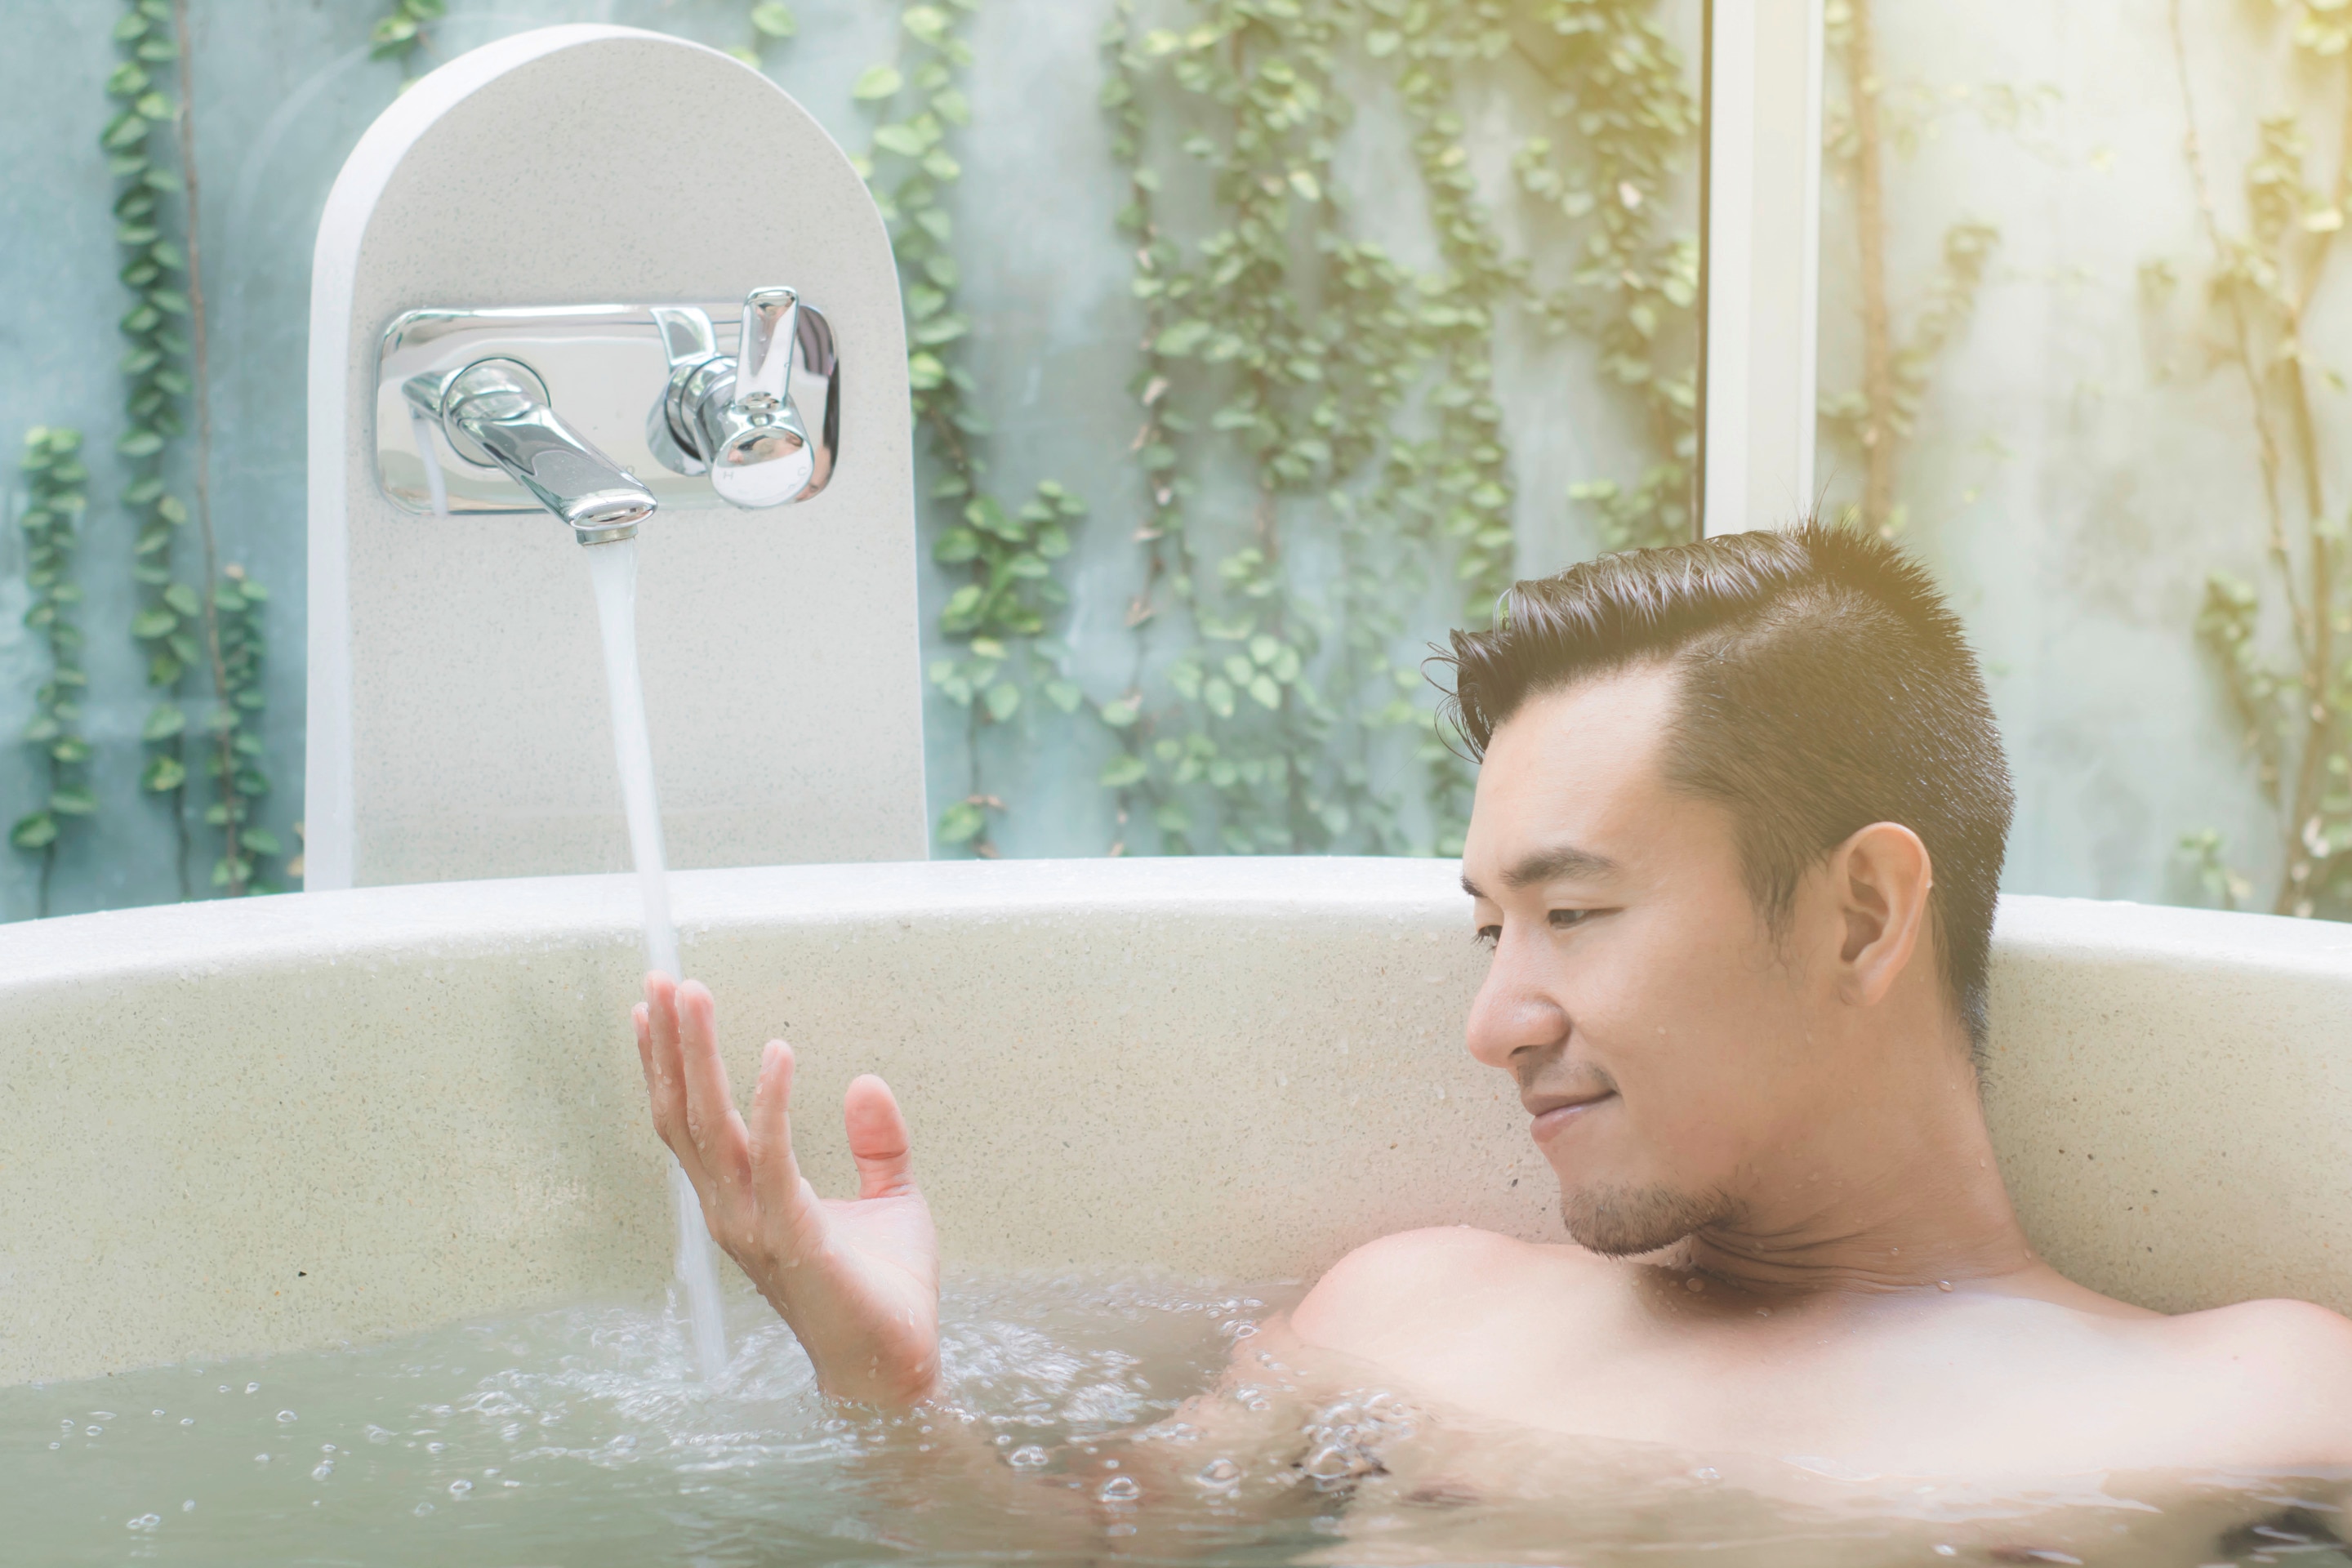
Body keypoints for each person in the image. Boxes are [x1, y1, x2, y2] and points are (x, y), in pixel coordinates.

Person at [631, 526, 2352, 1549]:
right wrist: (880, 1395)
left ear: (1860, 917)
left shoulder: (2254, 1408)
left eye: (1576, 914)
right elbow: (1069, 1562)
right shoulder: (1412, 1315)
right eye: (1486, 924)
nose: (1492, 1018)